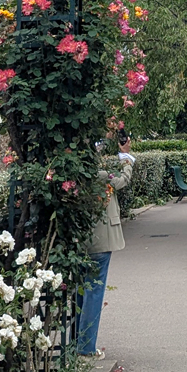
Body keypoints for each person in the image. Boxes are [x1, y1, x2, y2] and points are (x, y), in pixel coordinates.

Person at [77, 136, 134, 358]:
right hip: (100, 240)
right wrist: (126, 158)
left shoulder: (78, 176)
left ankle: (76, 343)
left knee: (81, 292)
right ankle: (86, 347)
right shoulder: (99, 176)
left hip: (80, 240)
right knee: (94, 292)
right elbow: (121, 180)